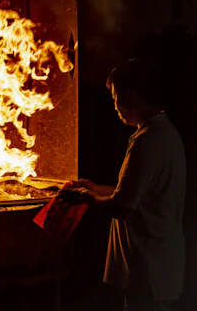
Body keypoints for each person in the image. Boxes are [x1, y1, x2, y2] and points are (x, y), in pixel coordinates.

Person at [58, 58, 186, 311]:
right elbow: (132, 195)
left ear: (130, 97)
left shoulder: (148, 141)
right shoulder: (161, 133)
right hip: (154, 266)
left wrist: (84, 197)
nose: (115, 105)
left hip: (148, 269)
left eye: (116, 97)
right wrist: (95, 188)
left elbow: (120, 207)